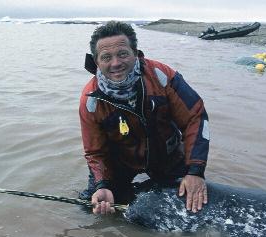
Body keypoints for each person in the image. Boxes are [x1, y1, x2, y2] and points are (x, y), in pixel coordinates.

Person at [79, 21, 210, 215]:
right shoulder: (90, 100)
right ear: (97, 62)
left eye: (122, 53)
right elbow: (95, 152)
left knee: (192, 203)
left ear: (135, 53)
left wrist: (195, 171)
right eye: (106, 57)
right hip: (120, 162)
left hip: (166, 156)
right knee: (91, 207)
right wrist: (102, 184)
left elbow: (195, 117)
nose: (116, 63)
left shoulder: (161, 75)